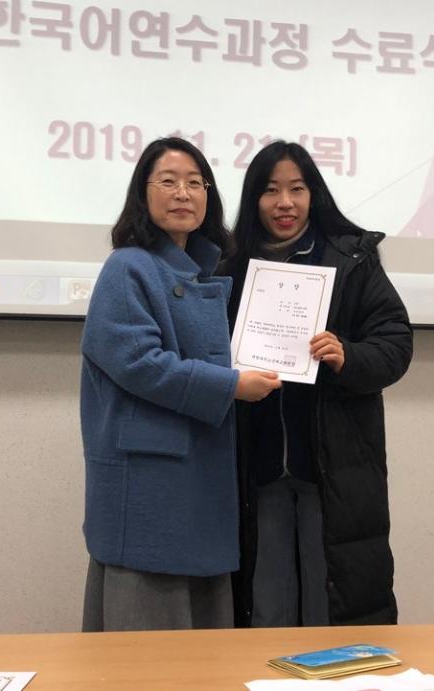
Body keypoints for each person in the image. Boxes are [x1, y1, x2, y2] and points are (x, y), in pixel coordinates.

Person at [80, 137, 281, 632]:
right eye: (168, 181)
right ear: (142, 193)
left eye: (195, 182)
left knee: (203, 644)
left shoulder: (204, 271)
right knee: (146, 648)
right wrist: (231, 386)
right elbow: (139, 363)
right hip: (150, 481)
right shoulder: (127, 266)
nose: (183, 193)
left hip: (197, 473)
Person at [221, 141, 413, 627]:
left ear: (314, 195)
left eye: (297, 189)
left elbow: (395, 344)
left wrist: (348, 356)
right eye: (270, 191)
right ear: (254, 199)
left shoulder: (350, 259)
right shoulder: (230, 265)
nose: (284, 203)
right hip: (259, 466)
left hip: (332, 468)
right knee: (267, 608)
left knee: (330, 608)